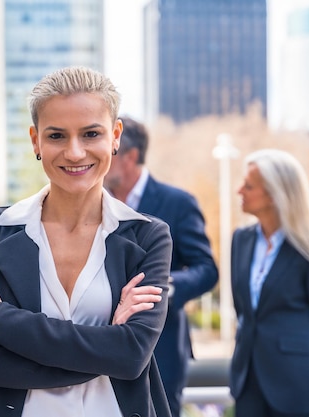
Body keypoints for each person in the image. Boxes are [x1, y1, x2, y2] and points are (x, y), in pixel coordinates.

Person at [0, 66, 173, 417]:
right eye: (56, 136)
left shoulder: (147, 235)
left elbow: (132, 356)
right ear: (35, 139)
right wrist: (107, 345)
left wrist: (0, 321)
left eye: (90, 134)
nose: (74, 152)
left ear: (115, 136)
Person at [104, 115, 218, 416]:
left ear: (129, 157)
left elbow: (207, 269)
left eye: (107, 149)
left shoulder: (178, 203)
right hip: (100, 346)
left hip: (162, 349)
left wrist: (165, 288)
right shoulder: (93, 205)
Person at [230, 149, 309, 417]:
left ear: (274, 194)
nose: (239, 191)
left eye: (248, 185)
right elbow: (244, 311)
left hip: (301, 389)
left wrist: (305, 367)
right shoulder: (241, 240)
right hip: (249, 386)